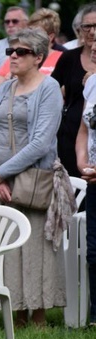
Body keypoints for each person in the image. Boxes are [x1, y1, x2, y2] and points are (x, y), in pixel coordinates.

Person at [0, 28, 65, 327]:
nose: (13, 56)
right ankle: (14, 315)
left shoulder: (49, 88)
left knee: (35, 249)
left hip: (34, 181)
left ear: (38, 57)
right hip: (1, 181)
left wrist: (0, 174)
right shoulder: (5, 88)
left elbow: (41, 143)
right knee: (7, 248)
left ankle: (39, 318)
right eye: (10, 51)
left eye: (21, 52)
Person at [52, 3, 96, 178]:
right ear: (80, 29)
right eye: (87, 26)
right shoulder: (69, 57)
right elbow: (52, 88)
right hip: (71, 135)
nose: (92, 31)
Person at [0, 8, 66, 99]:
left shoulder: (63, 58)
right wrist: (6, 82)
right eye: (29, 31)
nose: (29, 36)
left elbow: (69, 92)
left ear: (50, 37)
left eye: (36, 34)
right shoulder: (16, 56)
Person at [76, 71, 96, 325]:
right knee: (94, 249)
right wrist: (82, 161)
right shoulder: (91, 82)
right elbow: (83, 129)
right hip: (93, 178)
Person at [0, 7, 28, 94]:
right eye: (7, 21)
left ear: (26, 23)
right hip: (2, 98)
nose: (10, 24)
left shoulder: (34, 46)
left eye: (15, 21)